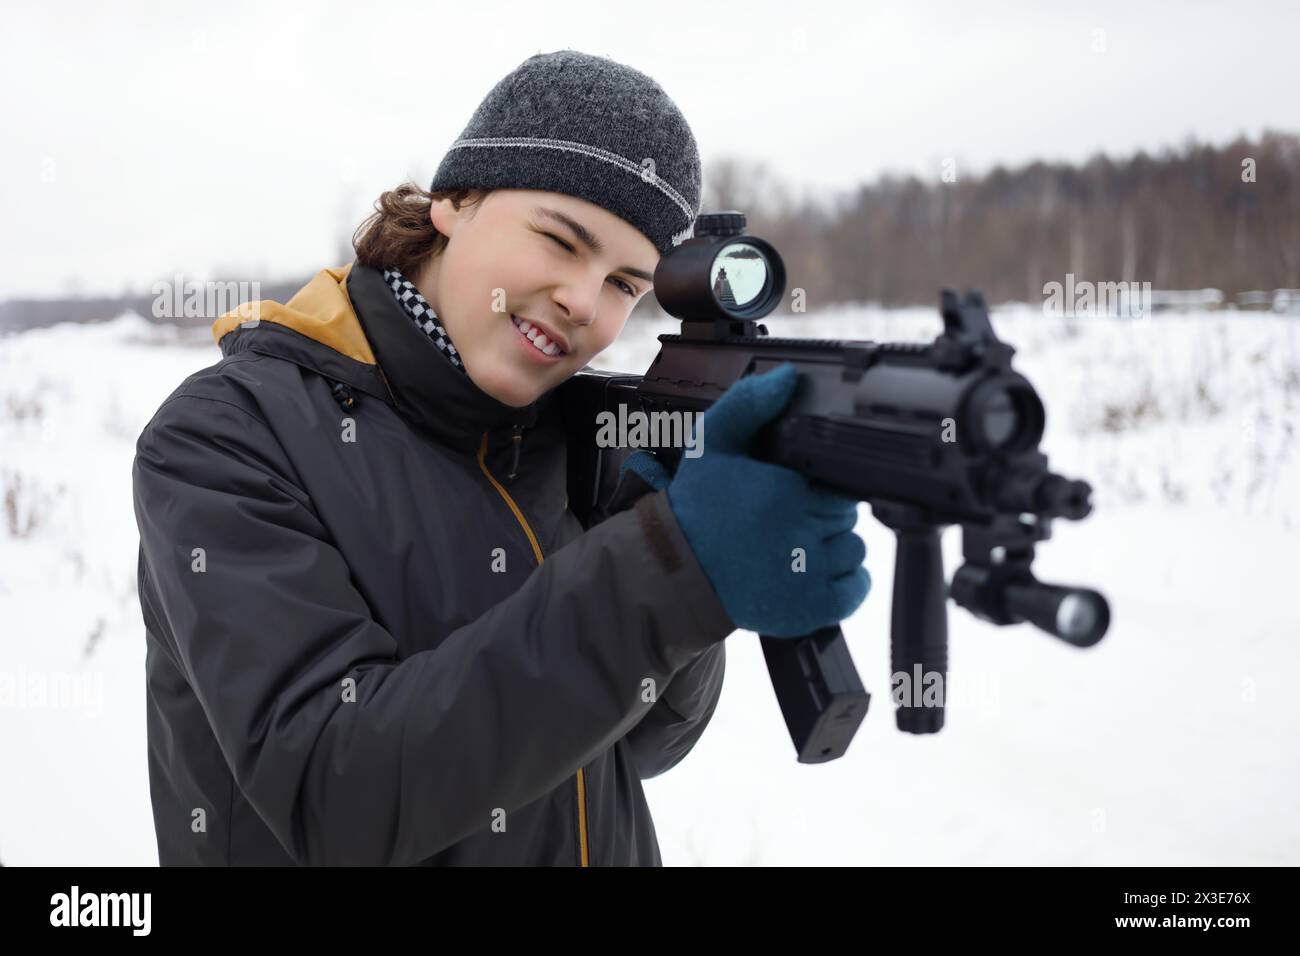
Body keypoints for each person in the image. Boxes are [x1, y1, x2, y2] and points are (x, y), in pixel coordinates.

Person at [131, 49, 870, 866]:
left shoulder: (580, 433)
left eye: (627, 283)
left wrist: (675, 553)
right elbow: (335, 794)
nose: (586, 305)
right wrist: (666, 571)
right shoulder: (225, 437)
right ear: (454, 200)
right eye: (560, 240)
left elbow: (646, 748)